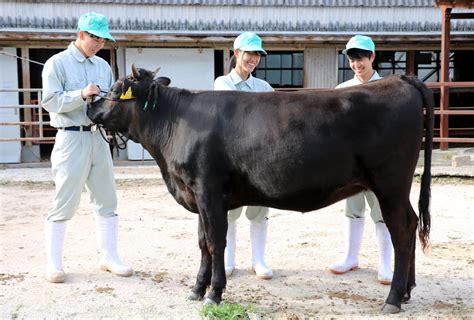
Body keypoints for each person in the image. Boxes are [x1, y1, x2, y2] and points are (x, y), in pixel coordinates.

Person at [41, 12, 133, 283]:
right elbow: (49, 100)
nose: (100, 44)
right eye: (96, 38)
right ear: (81, 34)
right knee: (65, 200)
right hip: (70, 138)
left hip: (99, 138)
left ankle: (109, 257)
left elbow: (108, 101)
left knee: (107, 198)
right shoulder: (56, 64)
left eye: (103, 40)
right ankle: (54, 264)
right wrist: (80, 94)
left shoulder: (103, 66)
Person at [329, 35, 393, 285]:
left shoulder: (388, 89)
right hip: (350, 165)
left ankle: (385, 264)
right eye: (353, 59)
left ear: (372, 57)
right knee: (352, 209)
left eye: (362, 58)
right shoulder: (341, 90)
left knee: (382, 211)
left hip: (378, 163)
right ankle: (350, 257)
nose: (357, 64)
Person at [214, 32, 273, 279]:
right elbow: (233, 116)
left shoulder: (264, 87)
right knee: (229, 209)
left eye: (257, 54)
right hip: (232, 158)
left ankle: (258, 260)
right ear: (236, 53)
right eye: (249, 53)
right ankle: (228, 260)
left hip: (259, 157)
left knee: (260, 208)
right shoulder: (222, 84)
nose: (254, 59)